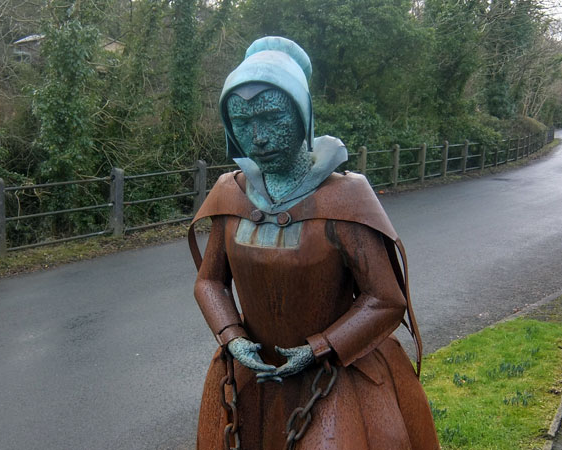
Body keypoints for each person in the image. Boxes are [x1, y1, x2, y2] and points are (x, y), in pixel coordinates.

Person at [188, 36, 439, 450]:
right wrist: (232, 335)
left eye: (271, 118)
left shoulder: (344, 199)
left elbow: (384, 298)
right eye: (242, 122)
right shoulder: (229, 195)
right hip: (253, 372)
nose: (259, 138)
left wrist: (319, 348)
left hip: (334, 373)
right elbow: (209, 281)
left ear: (302, 115)